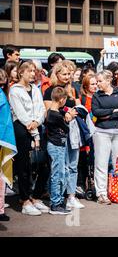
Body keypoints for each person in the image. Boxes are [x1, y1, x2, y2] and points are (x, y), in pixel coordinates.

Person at [9, 62, 49, 216]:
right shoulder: (15, 90)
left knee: (42, 164)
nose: (33, 74)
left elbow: (41, 109)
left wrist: (37, 122)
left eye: (34, 71)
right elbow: (20, 114)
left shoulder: (36, 89)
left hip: (36, 126)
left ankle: (35, 197)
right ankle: (25, 200)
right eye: (30, 71)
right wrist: (33, 130)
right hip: (22, 129)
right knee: (24, 166)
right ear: (21, 72)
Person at [91, 70, 118, 205]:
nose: (97, 84)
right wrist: (114, 111)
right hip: (102, 132)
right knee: (101, 163)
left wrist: (107, 115)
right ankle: (101, 193)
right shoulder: (96, 96)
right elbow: (96, 112)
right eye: (96, 82)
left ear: (108, 81)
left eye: (100, 81)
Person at [46, 87, 72, 215]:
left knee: (60, 173)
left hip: (58, 145)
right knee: (57, 174)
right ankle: (55, 203)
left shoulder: (53, 112)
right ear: (62, 100)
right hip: (56, 146)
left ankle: (59, 201)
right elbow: (66, 128)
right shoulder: (55, 115)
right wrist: (68, 119)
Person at [0, 69, 17, 222]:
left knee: (1, 177)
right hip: (2, 139)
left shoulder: (3, 94)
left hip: (3, 140)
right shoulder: (2, 95)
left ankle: (0, 209)